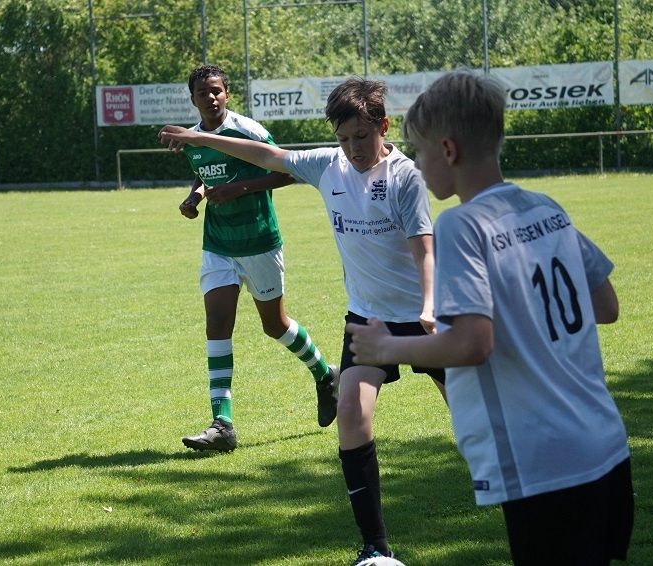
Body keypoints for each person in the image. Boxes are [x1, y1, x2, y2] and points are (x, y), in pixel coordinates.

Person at [346, 69, 634, 565]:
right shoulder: (545, 207)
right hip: (605, 445)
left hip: (545, 462)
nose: (416, 164)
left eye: (419, 151)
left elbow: (472, 343)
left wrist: (385, 347)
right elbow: (606, 305)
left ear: (448, 150)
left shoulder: (462, 224)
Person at [160, 77, 446, 565]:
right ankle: (375, 550)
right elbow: (268, 157)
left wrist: (430, 305)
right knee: (351, 416)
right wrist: (197, 138)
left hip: (423, 320)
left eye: (362, 135)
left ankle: (530, 499)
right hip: (366, 320)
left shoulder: (405, 177)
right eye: (344, 138)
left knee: (475, 422)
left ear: (383, 127)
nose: (353, 147)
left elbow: (425, 248)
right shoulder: (329, 165)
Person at [174, 64, 339, 453]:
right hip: (218, 245)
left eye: (216, 90)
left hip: (259, 241)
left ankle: (325, 374)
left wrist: (240, 188)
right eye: (202, 93)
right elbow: (204, 173)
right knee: (217, 323)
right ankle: (222, 424)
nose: (210, 97)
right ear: (193, 99)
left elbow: (288, 171)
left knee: (275, 325)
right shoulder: (192, 139)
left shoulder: (248, 130)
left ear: (227, 94)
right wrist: (195, 196)